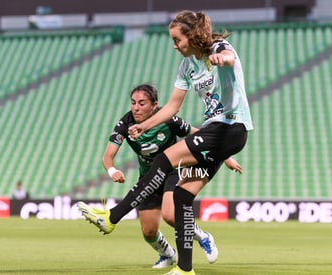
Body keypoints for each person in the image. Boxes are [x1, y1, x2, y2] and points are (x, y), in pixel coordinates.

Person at [78, 10, 253, 275]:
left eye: (176, 39)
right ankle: (185, 269)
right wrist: (143, 125)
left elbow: (228, 57)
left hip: (230, 127)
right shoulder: (186, 67)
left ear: (192, 35)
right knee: (182, 197)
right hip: (215, 135)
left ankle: (112, 217)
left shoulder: (218, 47)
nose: (174, 45)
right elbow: (172, 106)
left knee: (164, 159)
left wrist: (222, 59)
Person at [80, 84, 240, 268]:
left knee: (171, 216)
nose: (136, 107)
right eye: (133, 103)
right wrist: (112, 170)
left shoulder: (168, 119)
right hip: (148, 178)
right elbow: (108, 156)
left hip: (173, 171)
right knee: (148, 231)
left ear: (154, 105)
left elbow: (198, 134)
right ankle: (168, 255)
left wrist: (226, 156)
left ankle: (202, 236)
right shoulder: (125, 124)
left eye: (142, 103)